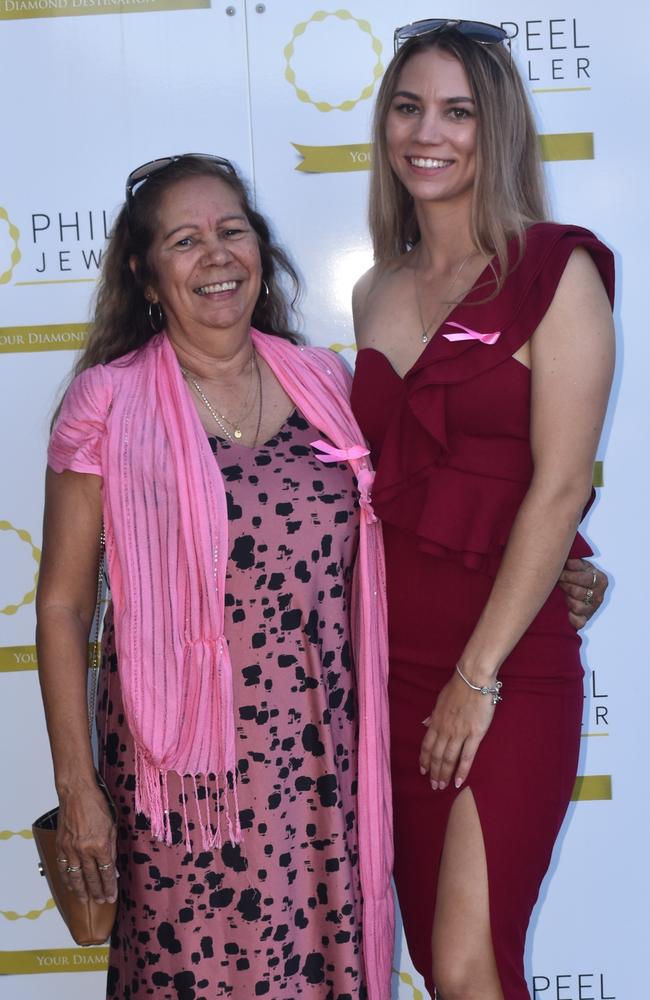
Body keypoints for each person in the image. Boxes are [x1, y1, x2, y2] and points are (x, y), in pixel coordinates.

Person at [35, 154, 394, 1000]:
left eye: (232, 231)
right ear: (145, 272)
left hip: (317, 769)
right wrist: (77, 787)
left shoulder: (323, 384)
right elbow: (63, 604)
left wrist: (554, 567)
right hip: (183, 786)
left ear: (260, 249)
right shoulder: (108, 402)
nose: (217, 255)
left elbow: (389, 544)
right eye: (186, 240)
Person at [350, 20, 615, 1000]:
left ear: (492, 129)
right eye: (408, 106)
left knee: (466, 965)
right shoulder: (373, 289)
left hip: (499, 673)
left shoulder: (556, 272)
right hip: (385, 672)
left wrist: (475, 676)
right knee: (439, 959)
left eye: (456, 111)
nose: (428, 131)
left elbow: (555, 487)